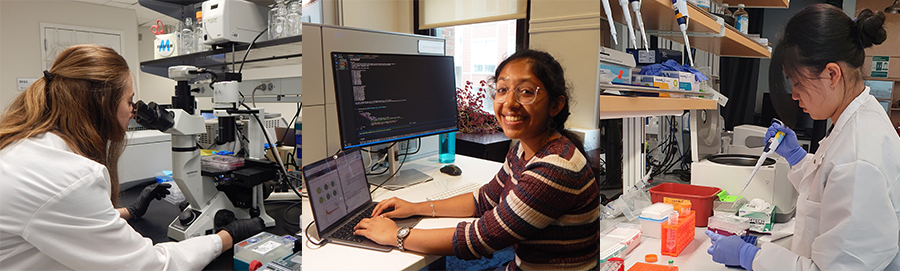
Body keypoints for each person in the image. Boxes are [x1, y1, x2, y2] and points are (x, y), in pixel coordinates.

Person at [0, 44, 266, 270]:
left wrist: (127, 212)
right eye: (129, 101)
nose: (132, 111)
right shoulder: (67, 175)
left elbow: (59, 220)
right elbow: (154, 266)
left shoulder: (29, 145)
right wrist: (225, 237)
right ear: (104, 102)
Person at [352, 49, 601, 270]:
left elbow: (480, 239)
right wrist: (416, 208)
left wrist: (397, 235)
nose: (509, 103)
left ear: (556, 105)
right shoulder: (522, 150)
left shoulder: (555, 167)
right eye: (502, 90)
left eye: (526, 92)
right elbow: (484, 200)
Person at [706, 4, 900, 271]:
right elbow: (830, 187)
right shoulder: (856, 120)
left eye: (797, 82)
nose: (794, 95)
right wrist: (798, 159)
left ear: (832, 74)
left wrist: (751, 258)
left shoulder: (859, 154)